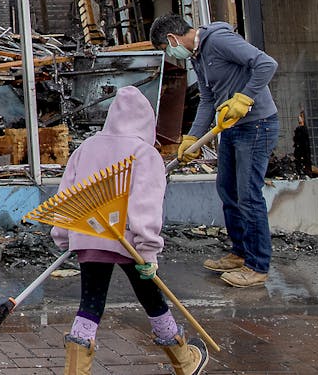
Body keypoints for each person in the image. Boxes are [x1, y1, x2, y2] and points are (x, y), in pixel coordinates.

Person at [52, 85, 208, 375]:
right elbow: (145, 206)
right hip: (130, 242)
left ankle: (75, 371)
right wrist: (149, 251)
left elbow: (68, 194)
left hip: (90, 236)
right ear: (147, 121)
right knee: (152, 298)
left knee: (91, 303)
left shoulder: (85, 148)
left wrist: (63, 236)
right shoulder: (145, 154)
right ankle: (184, 361)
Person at [151, 14, 278, 288]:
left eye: (166, 49)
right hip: (231, 128)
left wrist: (246, 97)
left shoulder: (219, 40)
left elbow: (266, 64)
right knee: (228, 191)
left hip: (257, 126)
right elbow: (207, 100)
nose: (171, 54)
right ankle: (240, 253)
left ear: (172, 39)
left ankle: (257, 266)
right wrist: (192, 138)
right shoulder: (197, 57)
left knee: (249, 196)